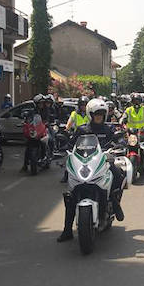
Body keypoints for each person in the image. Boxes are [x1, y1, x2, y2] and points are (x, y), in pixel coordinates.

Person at [57, 99, 126, 243]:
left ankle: (114, 202)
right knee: (70, 195)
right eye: (97, 115)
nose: (99, 118)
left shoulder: (108, 130)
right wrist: (64, 146)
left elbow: (118, 141)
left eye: (101, 115)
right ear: (90, 115)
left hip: (103, 162)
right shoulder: (82, 129)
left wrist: (119, 145)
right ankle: (67, 230)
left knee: (119, 174)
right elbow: (71, 144)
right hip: (84, 164)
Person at [120, 93, 144, 164]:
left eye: (138, 101)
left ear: (141, 101)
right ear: (132, 102)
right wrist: (121, 122)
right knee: (121, 143)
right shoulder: (128, 110)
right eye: (134, 101)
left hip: (142, 131)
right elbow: (123, 117)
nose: (136, 103)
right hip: (130, 132)